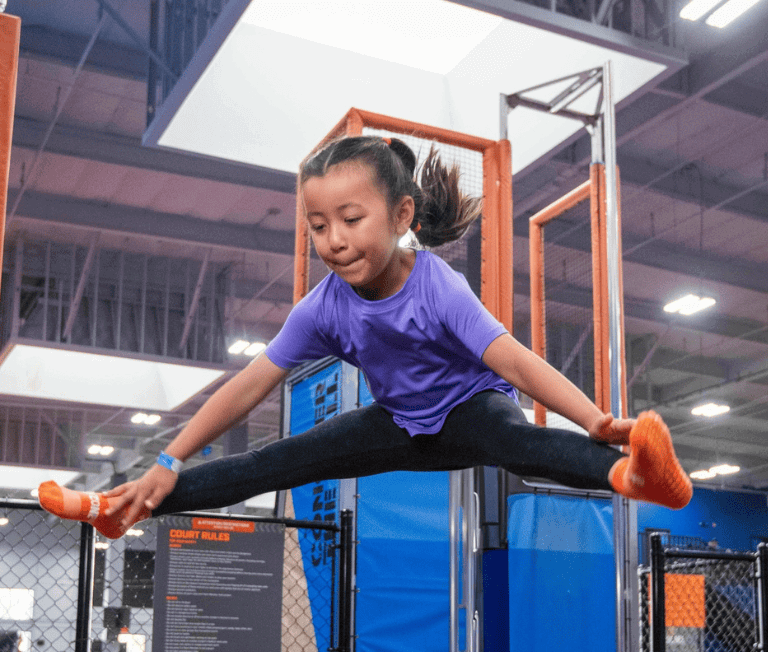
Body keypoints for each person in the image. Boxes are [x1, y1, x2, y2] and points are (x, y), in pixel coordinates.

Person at [37, 135, 691, 544]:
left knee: (519, 444)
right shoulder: (322, 308)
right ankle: (115, 504)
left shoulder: (438, 289)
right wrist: (169, 458)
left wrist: (595, 419)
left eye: (351, 219)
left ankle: (632, 474)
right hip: (400, 425)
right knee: (271, 464)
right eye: (318, 226)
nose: (335, 241)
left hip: (470, 410)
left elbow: (515, 361)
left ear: (401, 216)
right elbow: (247, 387)